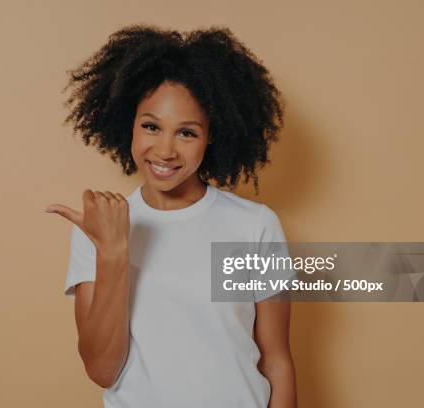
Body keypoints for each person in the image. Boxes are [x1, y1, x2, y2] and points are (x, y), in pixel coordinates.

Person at [46, 24, 298, 408]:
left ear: (212, 135)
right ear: (128, 122)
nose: (165, 150)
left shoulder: (254, 226)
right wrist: (113, 250)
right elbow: (102, 369)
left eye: (187, 133)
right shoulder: (100, 229)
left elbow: (276, 359)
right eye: (151, 126)